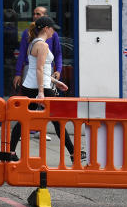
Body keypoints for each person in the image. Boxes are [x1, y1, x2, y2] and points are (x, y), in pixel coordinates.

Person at [7, 15, 85, 165]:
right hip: (40, 87)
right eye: (52, 29)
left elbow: (41, 70)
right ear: (45, 29)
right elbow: (39, 69)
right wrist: (42, 92)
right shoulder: (43, 45)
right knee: (58, 121)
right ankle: (74, 153)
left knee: (23, 120)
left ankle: (11, 152)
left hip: (30, 86)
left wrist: (56, 81)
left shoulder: (33, 43)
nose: (53, 32)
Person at [13, 6, 62, 94]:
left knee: (34, 102)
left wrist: (58, 70)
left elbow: (58, 53)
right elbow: (22, 53)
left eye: (38, 14)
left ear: (45, 16)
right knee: (36, 101)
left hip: (47, 69)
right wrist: (18, 73)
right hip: (30, 69)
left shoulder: (53, 34)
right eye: (34, 14)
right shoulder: (27, 33)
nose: (35, 16)